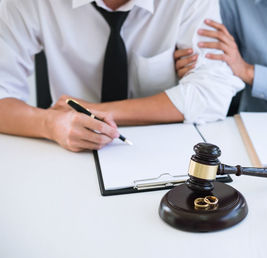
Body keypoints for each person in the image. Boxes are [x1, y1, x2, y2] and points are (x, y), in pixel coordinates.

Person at [0, 0, 244, 152]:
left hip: (162, 147)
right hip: (68, 148)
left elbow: (213, 92)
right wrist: (50, 123)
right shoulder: (27, 3)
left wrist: (93, 110)